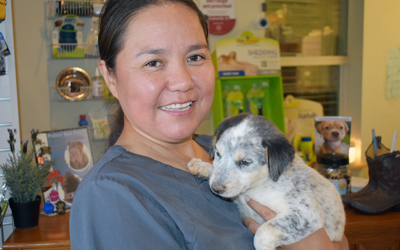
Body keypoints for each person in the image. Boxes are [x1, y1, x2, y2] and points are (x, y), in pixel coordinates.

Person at [70, 0, 349, 249]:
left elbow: (335, 234)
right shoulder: (112, 195)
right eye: (154, 62)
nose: (183, 81)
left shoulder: (221, 150)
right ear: (110, 76)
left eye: (195, 57)